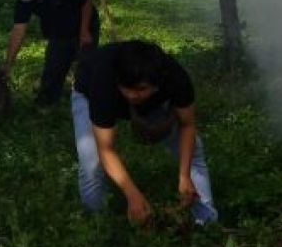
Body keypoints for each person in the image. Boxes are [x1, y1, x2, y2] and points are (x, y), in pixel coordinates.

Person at [71, 40, 218, 225]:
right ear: (118, 80)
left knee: (193, 152)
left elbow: (187, 125)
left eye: (140, 89)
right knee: (91, 162)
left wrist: (184, 175)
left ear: (157, 84)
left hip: (152, 101)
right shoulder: (103, 82)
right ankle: (99, 224)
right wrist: (132, 194)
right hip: (87, 93)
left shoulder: (175, 77)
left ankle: (206, 220)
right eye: (127, 88)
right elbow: (106, 149)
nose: (132, 95)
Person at [3, 0, 99, 106]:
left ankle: (91, 98)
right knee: (53, 67)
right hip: (58, 34)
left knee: (86, 64)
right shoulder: (24, 2)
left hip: (84, 25)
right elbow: (18, 31)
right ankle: (46, 102)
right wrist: (8, 63)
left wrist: (84, 31)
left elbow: (86, 4)